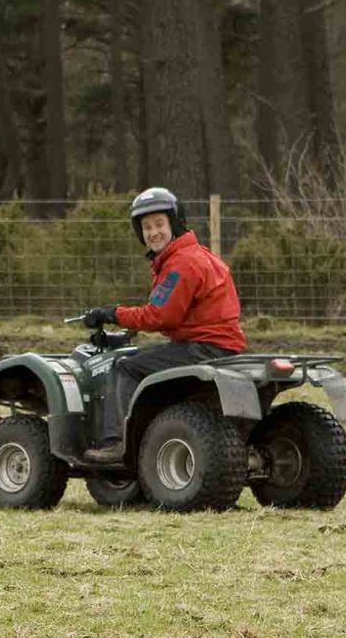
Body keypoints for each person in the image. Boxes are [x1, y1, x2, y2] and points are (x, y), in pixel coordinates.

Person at [80, 187, 246, 463]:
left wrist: (112, 313)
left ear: (174, 222)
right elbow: (178, 314)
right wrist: (127, 334)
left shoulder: (181, 263)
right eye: (146, 227)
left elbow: (161, 316)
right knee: (148, 357)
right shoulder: (196, 254)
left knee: (126, 367)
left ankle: (116, 443)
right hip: (218, 345)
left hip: (203, 348)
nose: (153, 232)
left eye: (159, 224)